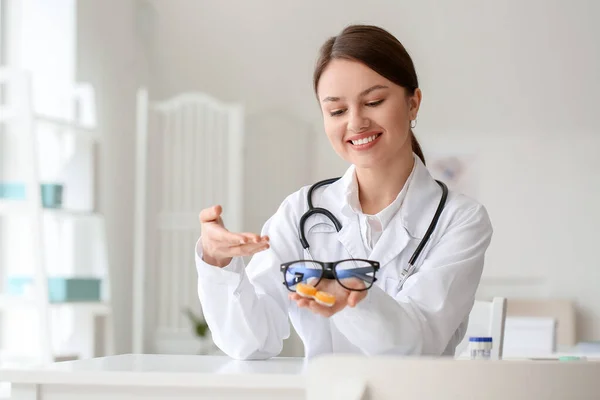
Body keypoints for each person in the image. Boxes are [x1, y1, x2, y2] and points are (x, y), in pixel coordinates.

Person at [195, 24, 493, 360]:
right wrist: (216, 262)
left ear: (413, 104)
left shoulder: (459, 219)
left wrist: (355, 298)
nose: (356, 122)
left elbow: (418, 343)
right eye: (337, 110)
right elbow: (250, 342)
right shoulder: (299, 212)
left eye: (374, 101)